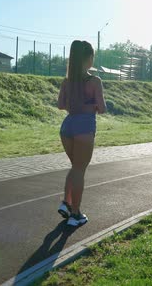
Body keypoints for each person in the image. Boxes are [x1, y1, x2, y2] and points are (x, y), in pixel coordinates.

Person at [57, 40, 106, 227]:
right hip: (84, 127)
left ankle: (66, 203)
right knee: (79, 170)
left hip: (67, 126)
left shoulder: (67, 81)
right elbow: (101, 108)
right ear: (89, 59)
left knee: (75, 168)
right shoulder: (94, 81)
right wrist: (90, 105)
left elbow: (61, 105)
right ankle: (75, 214)